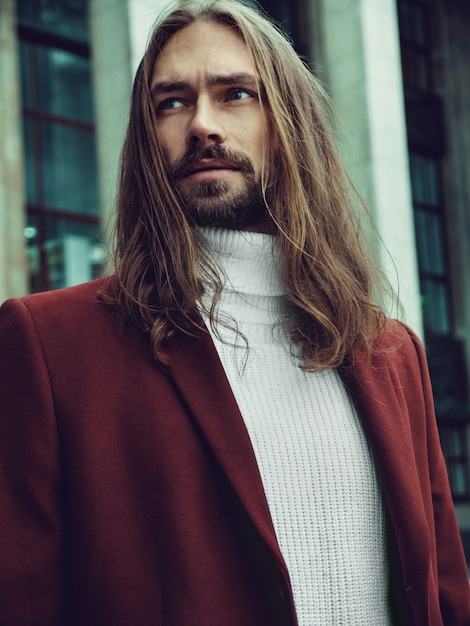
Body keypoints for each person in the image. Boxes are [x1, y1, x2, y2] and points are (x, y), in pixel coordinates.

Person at [0, 0, 469, 624]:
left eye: (236, 94)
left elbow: (442, 586)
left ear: (290, 123)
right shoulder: (49, 344)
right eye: (171, 102)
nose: (202, 125)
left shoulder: (390, 350)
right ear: (146, 138)